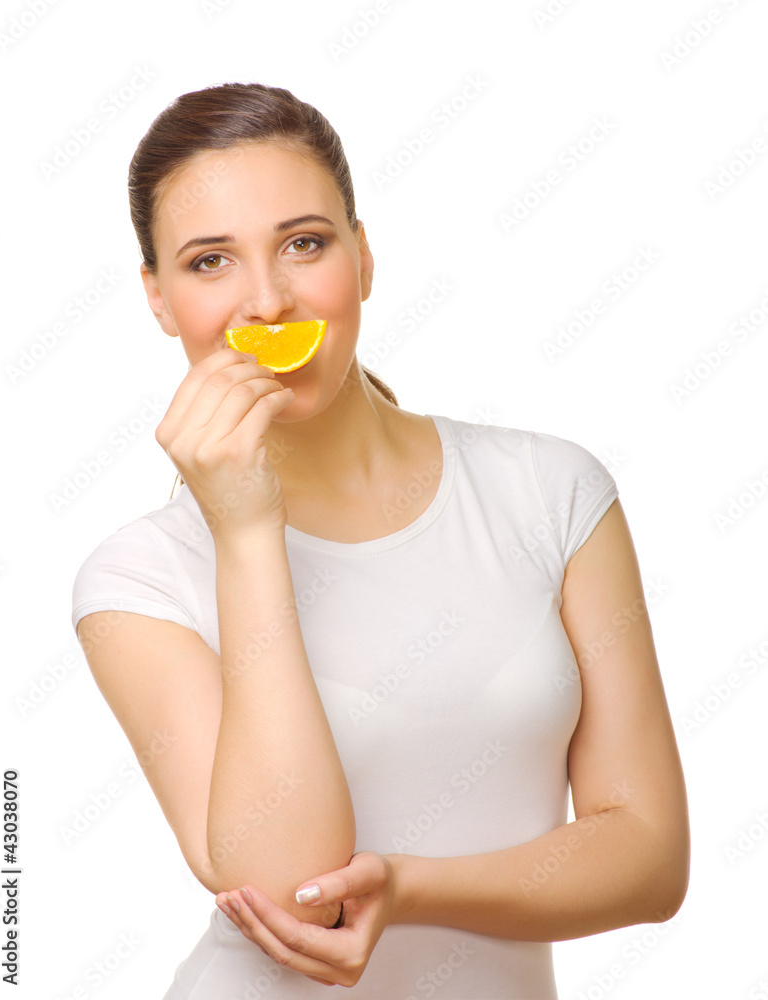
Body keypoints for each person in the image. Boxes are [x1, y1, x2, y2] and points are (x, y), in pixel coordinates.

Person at [71, 82, 690, 998]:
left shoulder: (551, 493)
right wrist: (248, 532)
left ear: (362, 257)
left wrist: (409, 889)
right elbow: (290, 887)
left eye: (304, 244)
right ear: (158, 298)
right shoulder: (136, 581)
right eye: (210, 262)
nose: (268, 302)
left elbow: (650, 857)